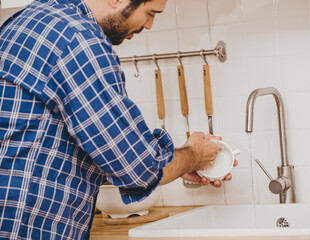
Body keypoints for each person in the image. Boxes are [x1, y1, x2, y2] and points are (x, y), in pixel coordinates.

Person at [0, 0, 237, 239]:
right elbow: (137, 167)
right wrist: (194, 155)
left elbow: (54, 145)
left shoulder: (25, 21)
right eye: (150, 13)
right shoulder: (79, 39)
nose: (149, 24)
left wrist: (177, 162)